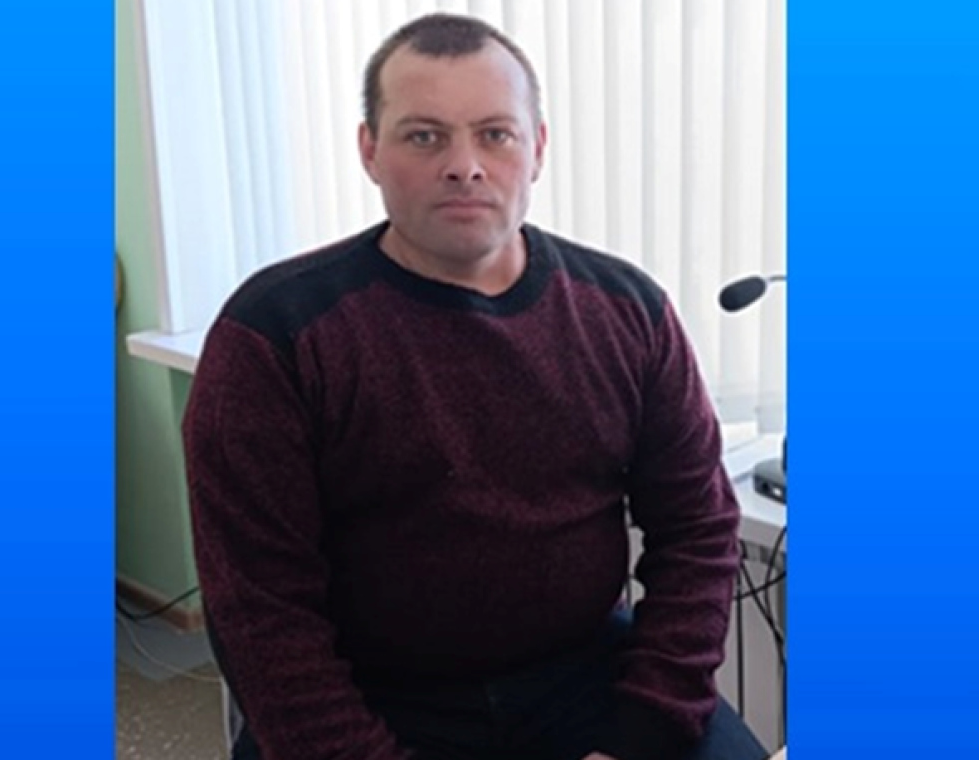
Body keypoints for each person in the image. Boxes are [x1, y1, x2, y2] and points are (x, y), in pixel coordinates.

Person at [183, 12, 768, 760]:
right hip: (368, 699)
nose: (465, 166)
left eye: (495, 134)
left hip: (587, 678)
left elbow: (697, 532)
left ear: (538, 148)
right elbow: (259, 612)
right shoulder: (276, 336)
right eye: (425, 136)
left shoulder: (627, 312)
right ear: (369, 150)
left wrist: (641, 734)